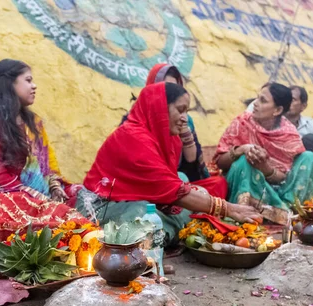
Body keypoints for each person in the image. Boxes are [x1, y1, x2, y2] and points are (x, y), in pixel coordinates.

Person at [78, 82, 262, 246]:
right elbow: (172, 191)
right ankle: (151, 241)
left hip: (141, 200)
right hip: (101, 208)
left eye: (186, 112)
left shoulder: (168, 138)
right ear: (159, 108)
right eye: (180, 110)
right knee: (141, 213)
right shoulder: (132, 137)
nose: (184, 118)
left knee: (190, 187)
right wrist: (229, 208)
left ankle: (162, 234)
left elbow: (172, 184)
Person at [0, 59, 78, 205]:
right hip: (6, 198)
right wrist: (37, 198)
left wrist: (54, 186)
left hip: (40, 195)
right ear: (9, 84)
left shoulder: (33, 122)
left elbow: (48, 165)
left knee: (87, 197)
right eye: (28, 80)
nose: (34, 86)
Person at [215, 83, 313, 225]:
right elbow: (219, 162)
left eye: (263, 101)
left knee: (309, 158)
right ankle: (248, 214)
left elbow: (283, 177)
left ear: (278, 110)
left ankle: (294, 213)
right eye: (257, 98)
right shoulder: (241, 123)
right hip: (246, 185)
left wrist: (265, 168)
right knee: (244, 162)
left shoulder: (288, 133)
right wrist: (241, 150)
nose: (255, 103)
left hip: (279, 190)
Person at [122, 64, 227, 198]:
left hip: (178, 181)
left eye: (174, 88)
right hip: (147, 183)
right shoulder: (136, 118)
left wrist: (185, 134)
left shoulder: (184, 119)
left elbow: (191, 161)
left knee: (217, 184)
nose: (168, 93)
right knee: (181, 183)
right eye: (164, 87)